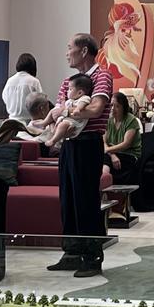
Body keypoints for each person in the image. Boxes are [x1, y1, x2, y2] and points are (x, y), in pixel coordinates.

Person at [47, 33, 114, 278]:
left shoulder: (102, 76)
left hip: (88, 144)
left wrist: (68, 112)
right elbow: (57, 110)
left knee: (86, 200)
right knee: (67, 199)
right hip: (68, 144)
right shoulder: (68, 81)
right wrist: (68, 112)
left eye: (70, 48)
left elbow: (95, 110)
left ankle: (92, 256)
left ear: (84, 50)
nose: (67, 53)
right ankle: (72, 252)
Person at [35, 73, 92, 149]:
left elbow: (83, 103)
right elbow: (63, 108)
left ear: (80, 93)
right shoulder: (70, 100)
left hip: (74, 122)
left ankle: (53, 140)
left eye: (70, 89)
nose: (68, 91)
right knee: (53, 111)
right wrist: (63, 102)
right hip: (65, 119)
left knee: (63, 125)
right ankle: (44, 123)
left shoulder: (84, 98)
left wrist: (78, 109)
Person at [104, 91, 143, 181]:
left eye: (117, 106)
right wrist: (112, 155)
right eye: (111, 105)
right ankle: (104, 178)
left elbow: (126, 144)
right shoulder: (109, 120)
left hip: (129, 154)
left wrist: (107, 151)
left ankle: (104, 178)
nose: (113, 109)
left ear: (123, 107)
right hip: (112, 153)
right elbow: (104, 142)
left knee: (103, 157)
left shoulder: (131, 120)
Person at [1, 52, 43, 123]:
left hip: (11, 121)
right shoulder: (34, 81)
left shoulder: (10, 81)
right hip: (29, 122)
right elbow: (41, 101)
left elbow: (4, 98)